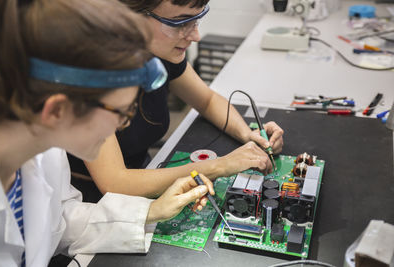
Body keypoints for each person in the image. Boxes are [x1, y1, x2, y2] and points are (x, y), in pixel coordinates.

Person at [0, 0, 214, 266]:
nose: (121, 127)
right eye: (120, 113)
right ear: (56, 111)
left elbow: (59, 221)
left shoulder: (46, 150)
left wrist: (152, 211)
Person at [67, 0, 285, 199]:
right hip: (91, 204)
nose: (195, 36)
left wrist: (248, 135)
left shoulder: (159, 52)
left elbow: (206, 100)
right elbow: (115, 183)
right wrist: (220, 166)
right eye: (180, 23)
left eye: (196, 20)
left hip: (145, 172)